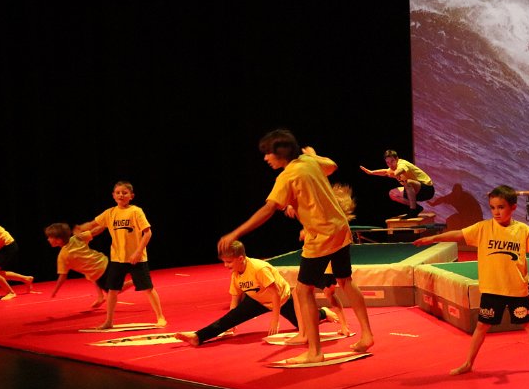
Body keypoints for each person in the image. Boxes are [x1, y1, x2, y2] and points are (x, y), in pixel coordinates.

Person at [218, 129, 373, 364]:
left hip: (321, 237)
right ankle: (367, 334)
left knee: (302, 291)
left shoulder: (287, 176)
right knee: (345, 281)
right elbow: (331, 166)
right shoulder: (309, 161)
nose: (265, 158)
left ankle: (314, 351)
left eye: (268, 153)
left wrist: (236, 233)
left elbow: (268, 209)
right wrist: (313, 156)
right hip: (340, 229)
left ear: (280, 152)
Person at [414, 184, 529, 375]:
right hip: (492, 289)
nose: (496, 212)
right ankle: (468, 363)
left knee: (528, 325)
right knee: (482, 326)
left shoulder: (522, 230)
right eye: (492, 207)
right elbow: (458, 234)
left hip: (516, 290)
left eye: (501, 207)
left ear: (513, 207)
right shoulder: (483, 228)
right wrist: (432, 239)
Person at [173, 240, 344, 347]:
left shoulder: (259, 268)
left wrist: (275, 319)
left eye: (229, 262)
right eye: (224, 262)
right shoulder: (236, 273)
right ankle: (198, 336)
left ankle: (323, 313)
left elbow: (275, 294)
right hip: (257, 300)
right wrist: (232, 319)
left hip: (282, 299)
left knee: (302, 326)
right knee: (226, 320)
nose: (226, 266)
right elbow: (235, 297)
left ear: (241, 258)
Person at [76, 181, 167, 329]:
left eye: (124, 193)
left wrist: (138, 252)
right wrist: (79, 231)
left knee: (148, 288)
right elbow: (95, 226)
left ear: (131, 196)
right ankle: (109, 321)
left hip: (137, 258)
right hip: (117, 258)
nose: (121, 195)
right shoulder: (110, 213)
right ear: (113, 195)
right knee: (112, 290)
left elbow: (148, 233)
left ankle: (160, 317)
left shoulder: (136, 211)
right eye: (118, 192)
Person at [45, 222, 130, 308]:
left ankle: (133, 281)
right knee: (90, 275)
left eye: (50, 237)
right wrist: (105, 224)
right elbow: (95, 231)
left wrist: (55, 290)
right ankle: (100, 297)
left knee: (115, 290)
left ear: (59, 240)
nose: (48, 239)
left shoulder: (62, 256)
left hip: (99, 270)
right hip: (102, 261)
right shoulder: (76, 238)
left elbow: (62, 276)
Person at [360, 150, 435, 219]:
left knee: (408, 182)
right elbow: (385, 172)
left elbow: (401, 170)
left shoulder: (402, 164)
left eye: (392, 161)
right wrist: (371, 172)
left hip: (427, 190)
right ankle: (417, 208)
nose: (390, 165)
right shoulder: (392, 168)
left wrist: (396, 173)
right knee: (392, 193)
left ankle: (413, 210)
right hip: (415, 192)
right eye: (388, 163)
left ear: (397, 159)